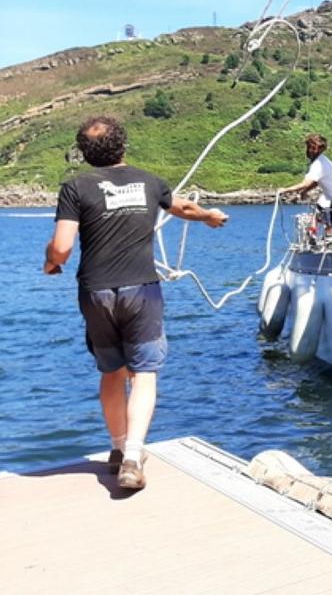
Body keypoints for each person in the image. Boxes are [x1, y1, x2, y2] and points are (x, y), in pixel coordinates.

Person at [44, 116, 228, 491]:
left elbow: (62, 248)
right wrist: (209, 217)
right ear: (123, 145)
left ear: (84, 153)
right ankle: (132, 457)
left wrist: (50, 262)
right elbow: (183, 208)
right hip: (141, 290)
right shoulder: (149, 182)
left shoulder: (75, 187)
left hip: (96, 292)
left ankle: (117, 449)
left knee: (112, 371)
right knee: (143, 373)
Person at [280, 134, 332, 252]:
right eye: (310, 147)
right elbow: (316, 181)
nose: (311, 150)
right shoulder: (320, 161)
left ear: (320, 149)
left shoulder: (318, 164)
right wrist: (305, 191)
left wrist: (285, 190)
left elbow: (306, 182)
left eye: (314, 148)